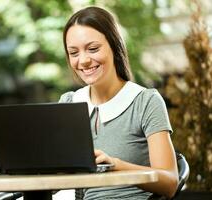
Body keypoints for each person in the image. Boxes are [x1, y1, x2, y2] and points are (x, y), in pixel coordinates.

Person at [58, 6, 179, 200]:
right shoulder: (69, 103)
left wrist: (115, 165)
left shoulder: (146, 101)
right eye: (74, 53)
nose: (84, 60)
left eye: (93, 49)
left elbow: (170, 182)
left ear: (114, 45)